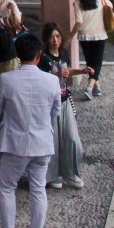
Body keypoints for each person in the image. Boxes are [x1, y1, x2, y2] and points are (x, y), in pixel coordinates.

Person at [0, 33, 61, 228]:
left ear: (17, 55)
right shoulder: (52, 81)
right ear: (39, 55)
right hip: (42, 142)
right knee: (38, 189)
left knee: (7, 187)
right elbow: (55, 111)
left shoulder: (6, 79)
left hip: (14, 143)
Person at [39, 22, 92, 189]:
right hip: (50, 102)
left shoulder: (63, 53)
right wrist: (54, 74)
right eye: (52, 37)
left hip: (65, 99)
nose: (55, 40)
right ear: (46, 39)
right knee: (53, 140)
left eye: (58, 36)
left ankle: (71, 173)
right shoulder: (42, 58)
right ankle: (53, 175)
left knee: (71, 138)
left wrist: (82, 71)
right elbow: (40, 78)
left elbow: (66, 71)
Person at [67, 0, 113, 100]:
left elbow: (79, 22)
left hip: (84, 36)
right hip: (100, 34)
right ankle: (91, 87)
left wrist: (70, 37)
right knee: (96, 63)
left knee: (90, 62)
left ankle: (93, 87)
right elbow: (110, 6)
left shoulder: (78, 2)